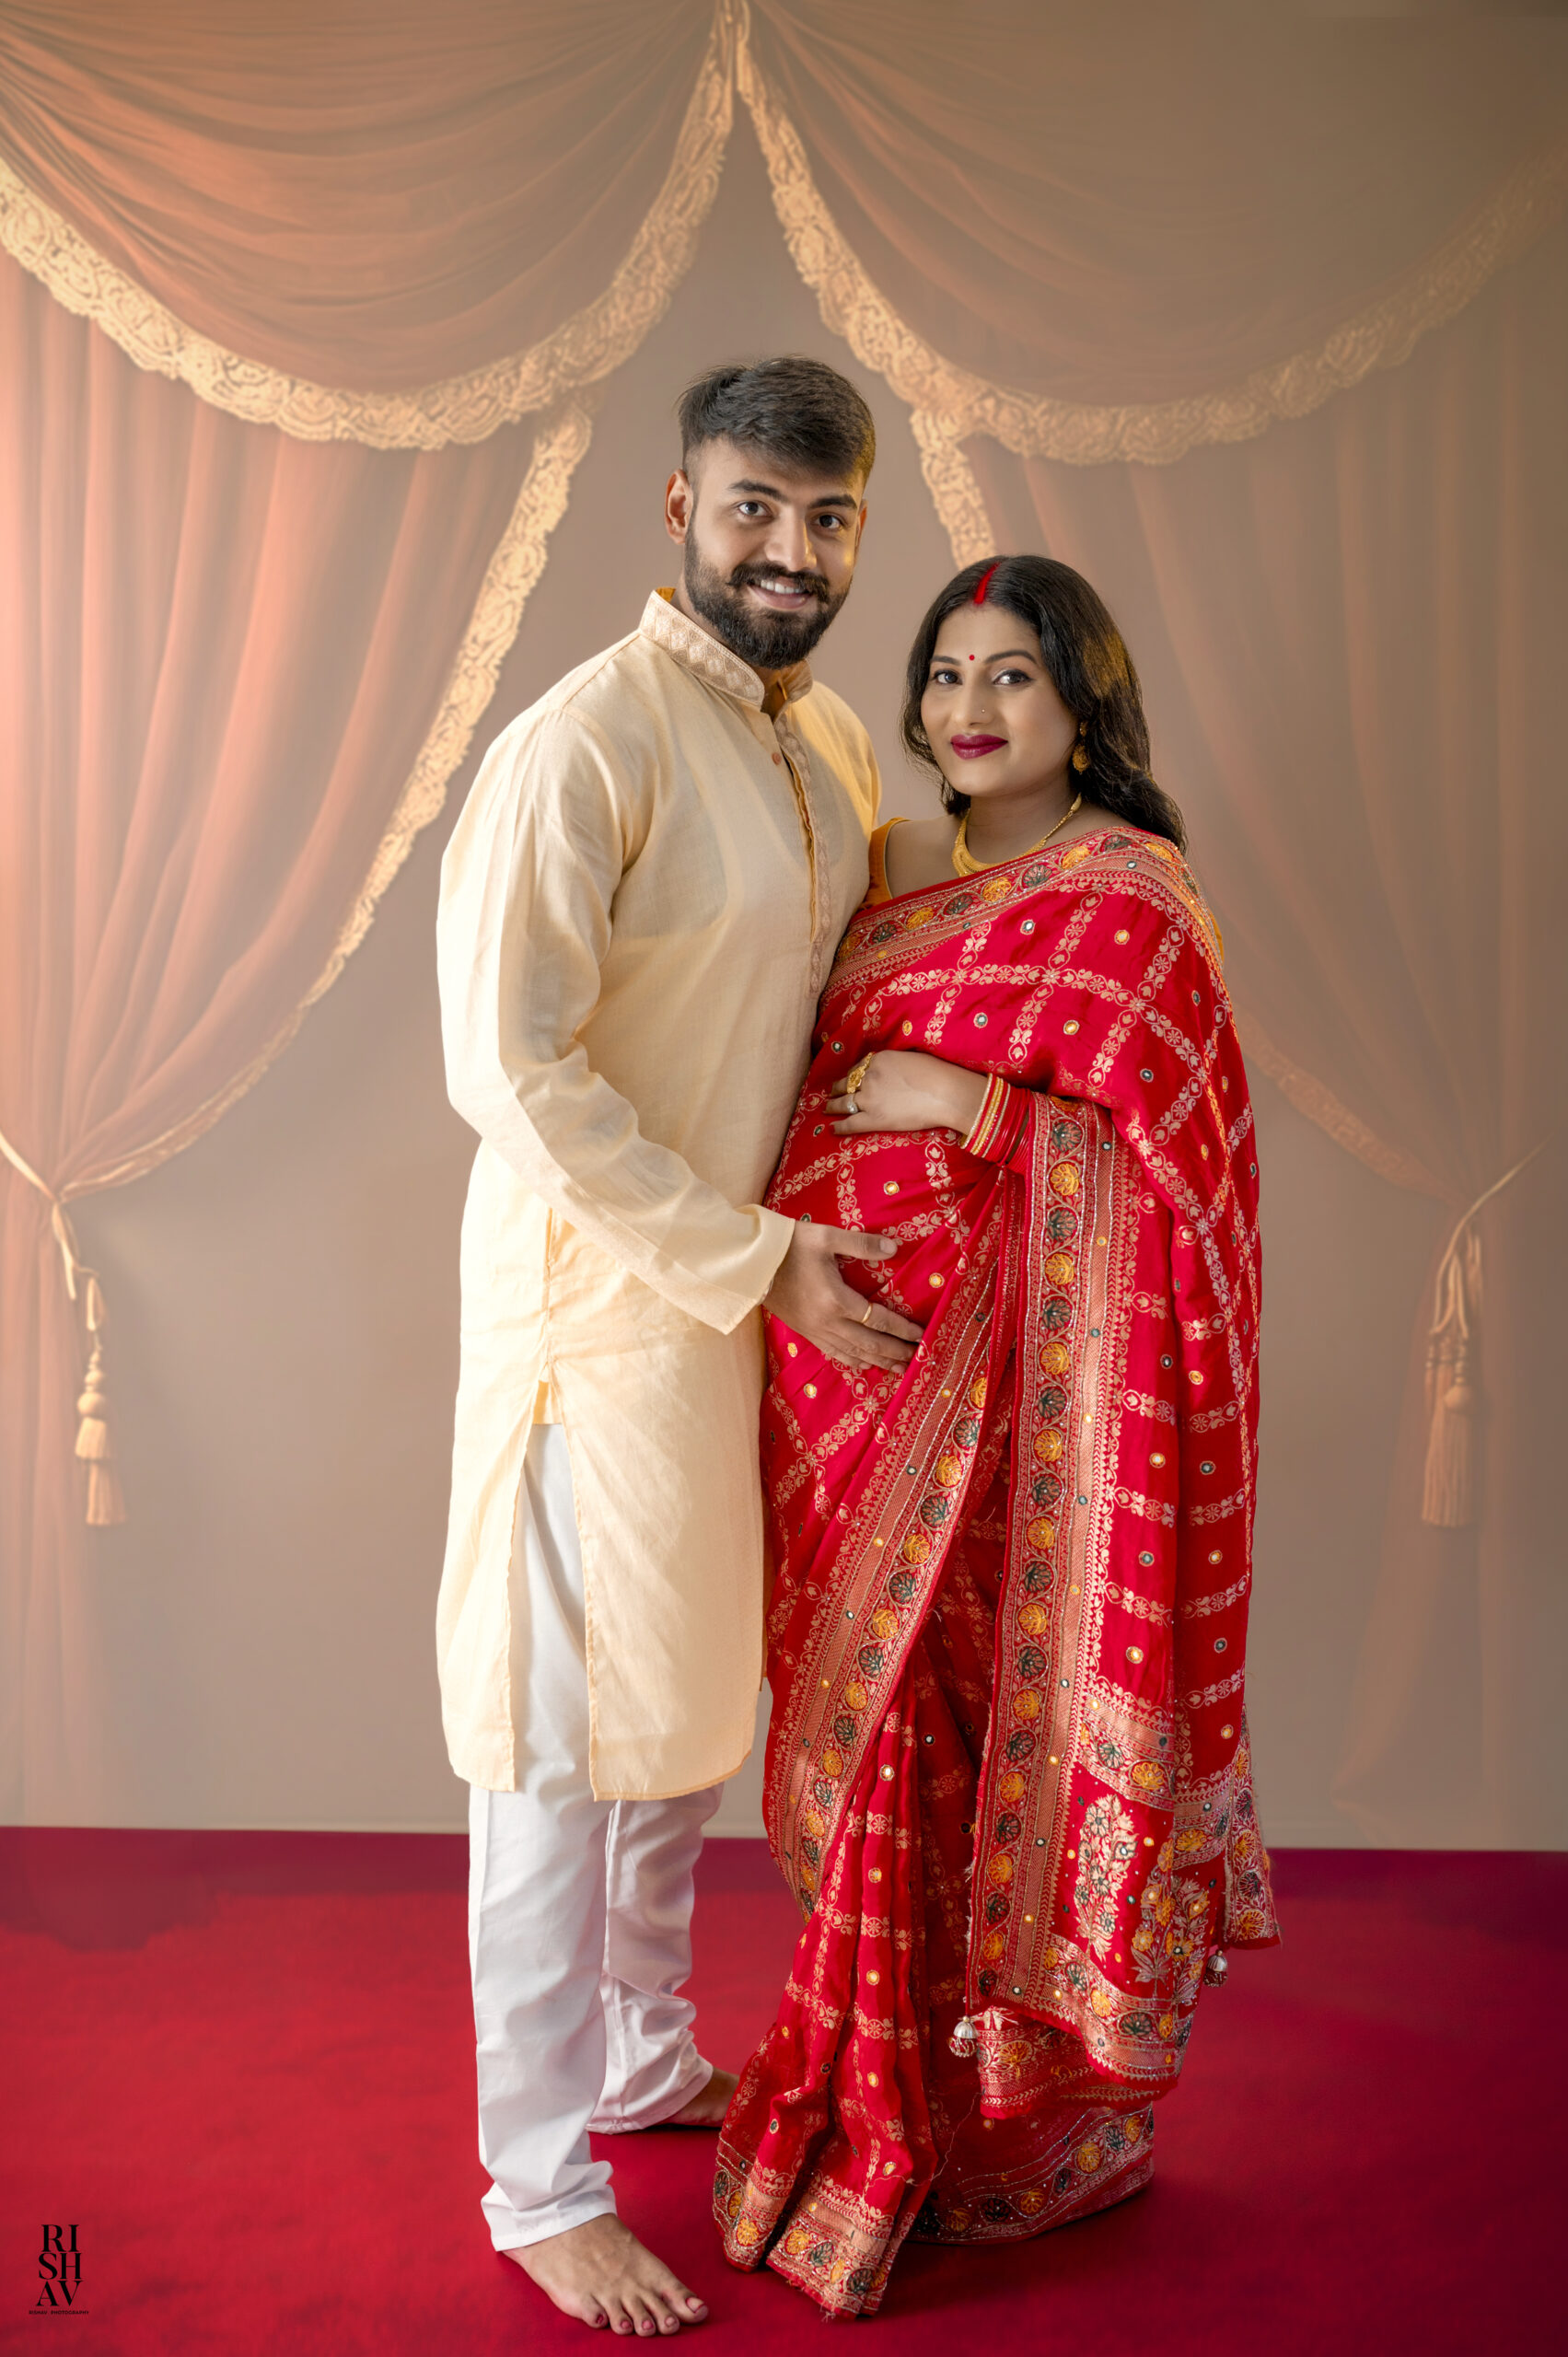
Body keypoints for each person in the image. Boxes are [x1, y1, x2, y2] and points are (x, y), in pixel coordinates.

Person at [714, 555, 1279, 2318]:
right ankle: (875, 2093)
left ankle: (1003, 2134)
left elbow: (1187, 1186)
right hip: (840, 1386)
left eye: (1012, 674)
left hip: (1029, 1415)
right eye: (947, 672)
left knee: (962, 1724)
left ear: (1081, 700)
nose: (968, 706)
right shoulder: (890, 867)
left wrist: (971, 1105)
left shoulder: (1135, 901)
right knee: (879, 1733)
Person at [436, 356, 926, 2337]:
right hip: (594, 1317)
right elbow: (509, 1066)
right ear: (681, 513)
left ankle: (643, 2054)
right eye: (754, 511)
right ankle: (537, 2178)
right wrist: (750, 1257)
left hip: (739, 1311)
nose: (789, 552)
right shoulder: (589, 741)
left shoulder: (832, 753)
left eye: (827, 519)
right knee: (559, 1746)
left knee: (680, 1711)